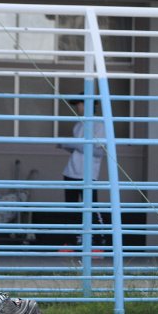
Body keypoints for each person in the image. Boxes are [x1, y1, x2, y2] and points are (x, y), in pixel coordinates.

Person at [60, 94, 106, 249]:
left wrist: (74, 144)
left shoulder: (99, 124)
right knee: (71, 210)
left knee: (91, 208)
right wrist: (66, 145)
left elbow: (98, 151)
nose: (77, 108)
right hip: (71, 171)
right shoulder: (78, 124)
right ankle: (71, 243)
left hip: (88, 174)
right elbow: (79, 150)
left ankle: (98, 243)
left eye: (79, 104)